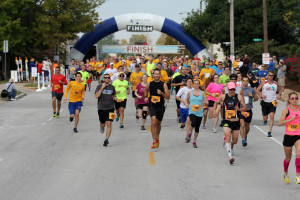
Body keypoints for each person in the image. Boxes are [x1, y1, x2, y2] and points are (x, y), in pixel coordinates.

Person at [214, 82, 247, 164]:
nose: (232, 91)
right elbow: (216, 102)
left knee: (235, 140)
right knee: (228, 136)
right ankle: (230, 157)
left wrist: (239, 109)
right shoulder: (223, 96)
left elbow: (245, 107)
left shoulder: (239, 97)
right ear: (228, 89)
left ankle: (231, 146)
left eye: (233, 89)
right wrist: (216, 111)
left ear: (235, 89)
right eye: (231, 89)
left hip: (236, 121)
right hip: (226, 121)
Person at [144, 68, 170, 149]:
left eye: (158, 74)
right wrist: (145, 97)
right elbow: (146, 89)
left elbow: (168, 96)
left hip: (160, 106)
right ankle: (154, 140)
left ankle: (157, 138)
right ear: (153, 75)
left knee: (158, 123)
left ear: (160, 75)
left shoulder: (164, 84)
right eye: (155, 74)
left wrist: (161, 93)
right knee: (153, 121)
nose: (156, 75)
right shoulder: (150, 83)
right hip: (152, 105)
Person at [278, 92, 300, 184]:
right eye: (292, 98)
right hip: (288, 136)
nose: (294, 100)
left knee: (299, 153)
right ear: (289, 100)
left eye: (296, 98)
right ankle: (285, 172)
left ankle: (298, 175)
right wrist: (290, 119)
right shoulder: (286, 110)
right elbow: (280, 123)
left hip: (298, 135)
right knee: (288, 158)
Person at [257, 70, 282, 137]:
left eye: (272, 75)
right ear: (267, 76)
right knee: (265, 117)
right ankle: (265, 120)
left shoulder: (275, 83)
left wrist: (279, 94)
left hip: (273, 102)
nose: (271, 77)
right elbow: (257, 90)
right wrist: (261, 95)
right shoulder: (263, 83)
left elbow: (280, 90)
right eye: (269, 75)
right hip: (265, 102)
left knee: (272, 116)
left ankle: (269, 131)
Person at [95, 74, 117, 147]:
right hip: (101, 108)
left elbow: (113, 95)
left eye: (108, 78)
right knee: (103, 124)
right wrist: (102, 88)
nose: (107, 79)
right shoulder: (99, 86)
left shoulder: (112, 87)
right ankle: (101, 126)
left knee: (109, 124)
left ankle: (106, 139)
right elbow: (96, 96)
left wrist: (115, 98)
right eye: (106, 78)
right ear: (103, 79)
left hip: (110, 108)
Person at [185, 79, 208, 148]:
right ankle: (189, 133)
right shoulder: (190, 92)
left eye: (197, 83)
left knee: (197, 128)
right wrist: (186, 103)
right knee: (193, 123)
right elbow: (186, 99)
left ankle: (194, 141)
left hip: (200, 112)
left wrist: (206, 103)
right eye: (195, 83)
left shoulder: (203, 93)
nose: (196, 85)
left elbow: (206, 101)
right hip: (192, 111)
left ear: (199, 85)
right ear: (193, 84)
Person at [240, 76, 258, 146]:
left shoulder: (251, 89)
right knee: (242, 124)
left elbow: (256, 99)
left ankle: (245, 135)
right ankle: (243, 139)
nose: (245, 82)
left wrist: (253, 96)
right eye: (244, 80)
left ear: (248, 82)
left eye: (246, 81)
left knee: (247, 127)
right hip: (241, 110)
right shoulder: (239, 90)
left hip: (248, 110)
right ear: (242, 82)